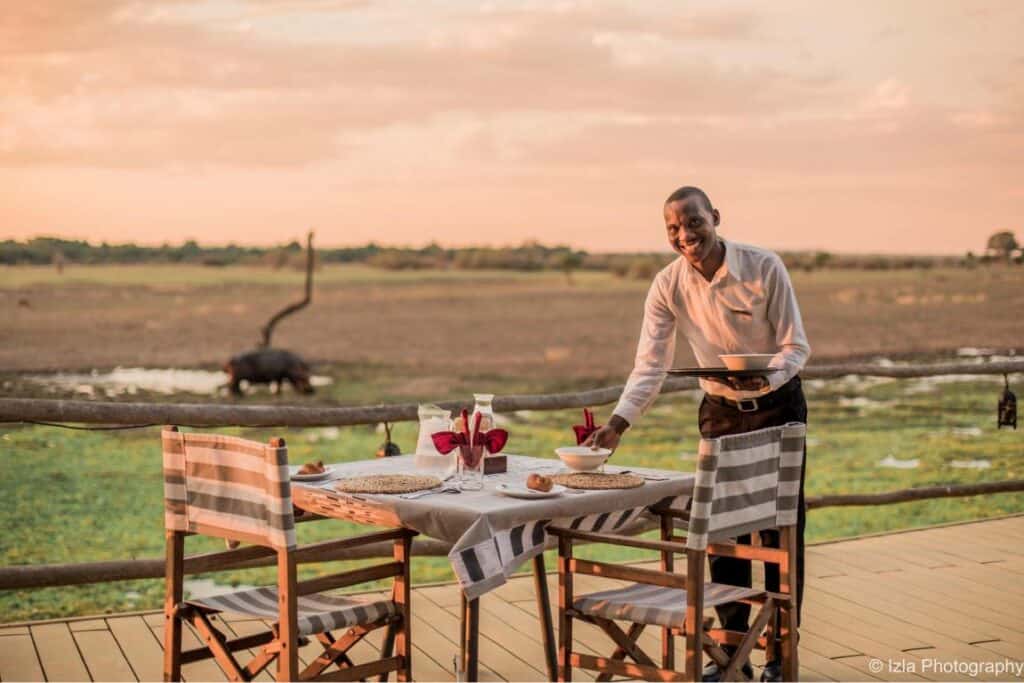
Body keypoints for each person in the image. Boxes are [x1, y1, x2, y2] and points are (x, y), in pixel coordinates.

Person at [586, 185, 810, 682]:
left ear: (715, 218)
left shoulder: (764, 266)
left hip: (778, 406)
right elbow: (651, 365)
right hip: (721, 413)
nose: (685, 235)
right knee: (721, 534)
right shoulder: (667, 284)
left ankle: (779, 656)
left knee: (779, 535)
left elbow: (796, 348)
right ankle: (733, 660)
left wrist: (766, 378)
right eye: (674, 227)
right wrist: (618, 424)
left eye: (693, 222)